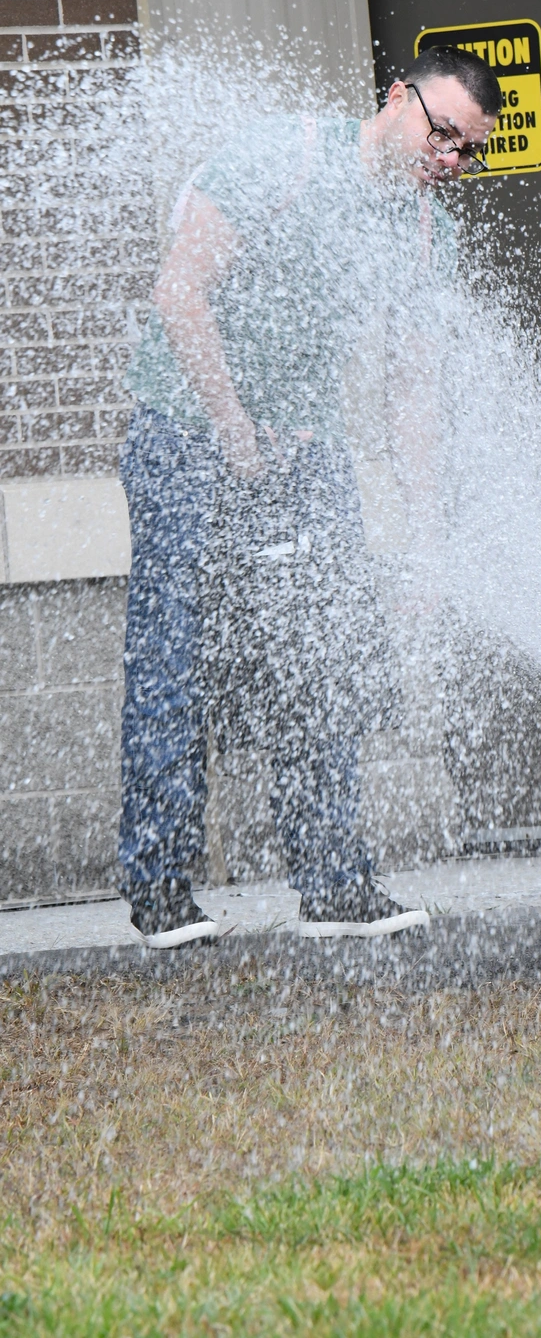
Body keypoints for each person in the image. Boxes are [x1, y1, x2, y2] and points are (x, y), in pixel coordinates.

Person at [118, 46, 502, 948]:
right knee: (172, 658)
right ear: (396, 99)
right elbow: (181, 295)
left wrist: (427, 542)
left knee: (326, 654)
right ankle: (161, 890)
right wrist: (234, 426)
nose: (449, 159)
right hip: (184, 431)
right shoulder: (279, 159)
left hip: (304, 450)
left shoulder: (422, 232)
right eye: (442, 132)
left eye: (467, 151)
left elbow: (413, 393)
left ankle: (333, 883)